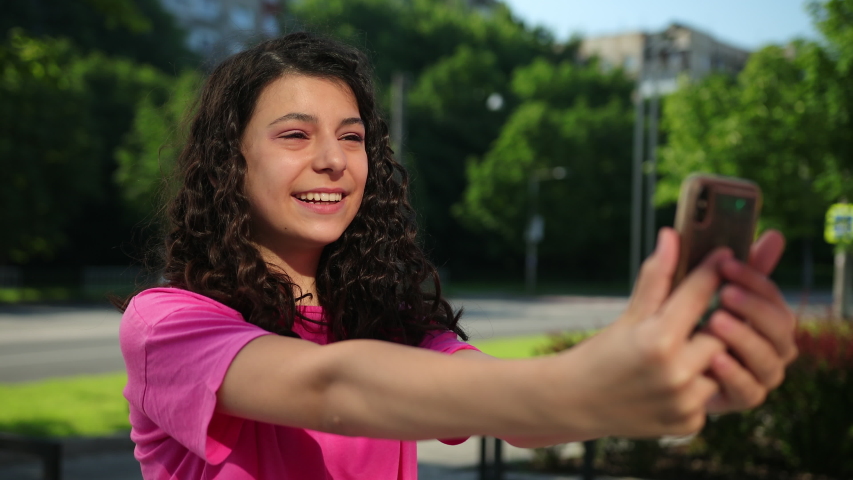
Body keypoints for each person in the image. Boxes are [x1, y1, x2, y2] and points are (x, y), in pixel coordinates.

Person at [118, 32, 798, 480]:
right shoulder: (166, 324)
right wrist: (584, 381)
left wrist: (662, 378)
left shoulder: (388, 320)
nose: (332, 160)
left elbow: (511, 409)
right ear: (229, 163)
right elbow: (332, 389)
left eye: (351, 137)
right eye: (295, 135)